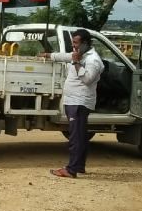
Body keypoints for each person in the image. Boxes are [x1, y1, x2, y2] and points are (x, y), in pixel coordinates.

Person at [39, 29, 104, 178]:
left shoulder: (93, 60)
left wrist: (75, 62)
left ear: (85, 44)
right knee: (80, 136)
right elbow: (64, 56)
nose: (73, 46)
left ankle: (71, 169)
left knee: (76, 137)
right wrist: (48, 55)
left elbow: (88, 79)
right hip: (74, 101)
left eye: (76, 43)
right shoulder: (80, 55)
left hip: (79, 102)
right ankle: (79, 166)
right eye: (73, 43)